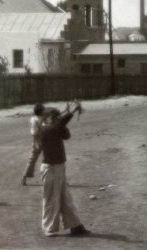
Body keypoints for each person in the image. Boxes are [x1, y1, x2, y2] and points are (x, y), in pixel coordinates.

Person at [39, 101, 89, 237]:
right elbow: (62, 131)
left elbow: (64, 132)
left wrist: (68, 114)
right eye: (53, 117)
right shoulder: (45, 129)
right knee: (51, 199)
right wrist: (70, 113)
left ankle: (75, 225)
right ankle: (48, 227)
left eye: (56, 117)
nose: (56, 119)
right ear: (45, 119)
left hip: (59, 167)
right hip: (51, 168)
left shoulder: (52, 127)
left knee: (65, 198)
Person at [21, 102, 45, 186]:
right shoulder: (38, 119)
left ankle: (24, 177)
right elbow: (34, 133)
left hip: (38, 141)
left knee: (32, 160)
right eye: (43, 110)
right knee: (51, 160)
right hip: (41, 141)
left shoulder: (34, 119)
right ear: (41, 111)